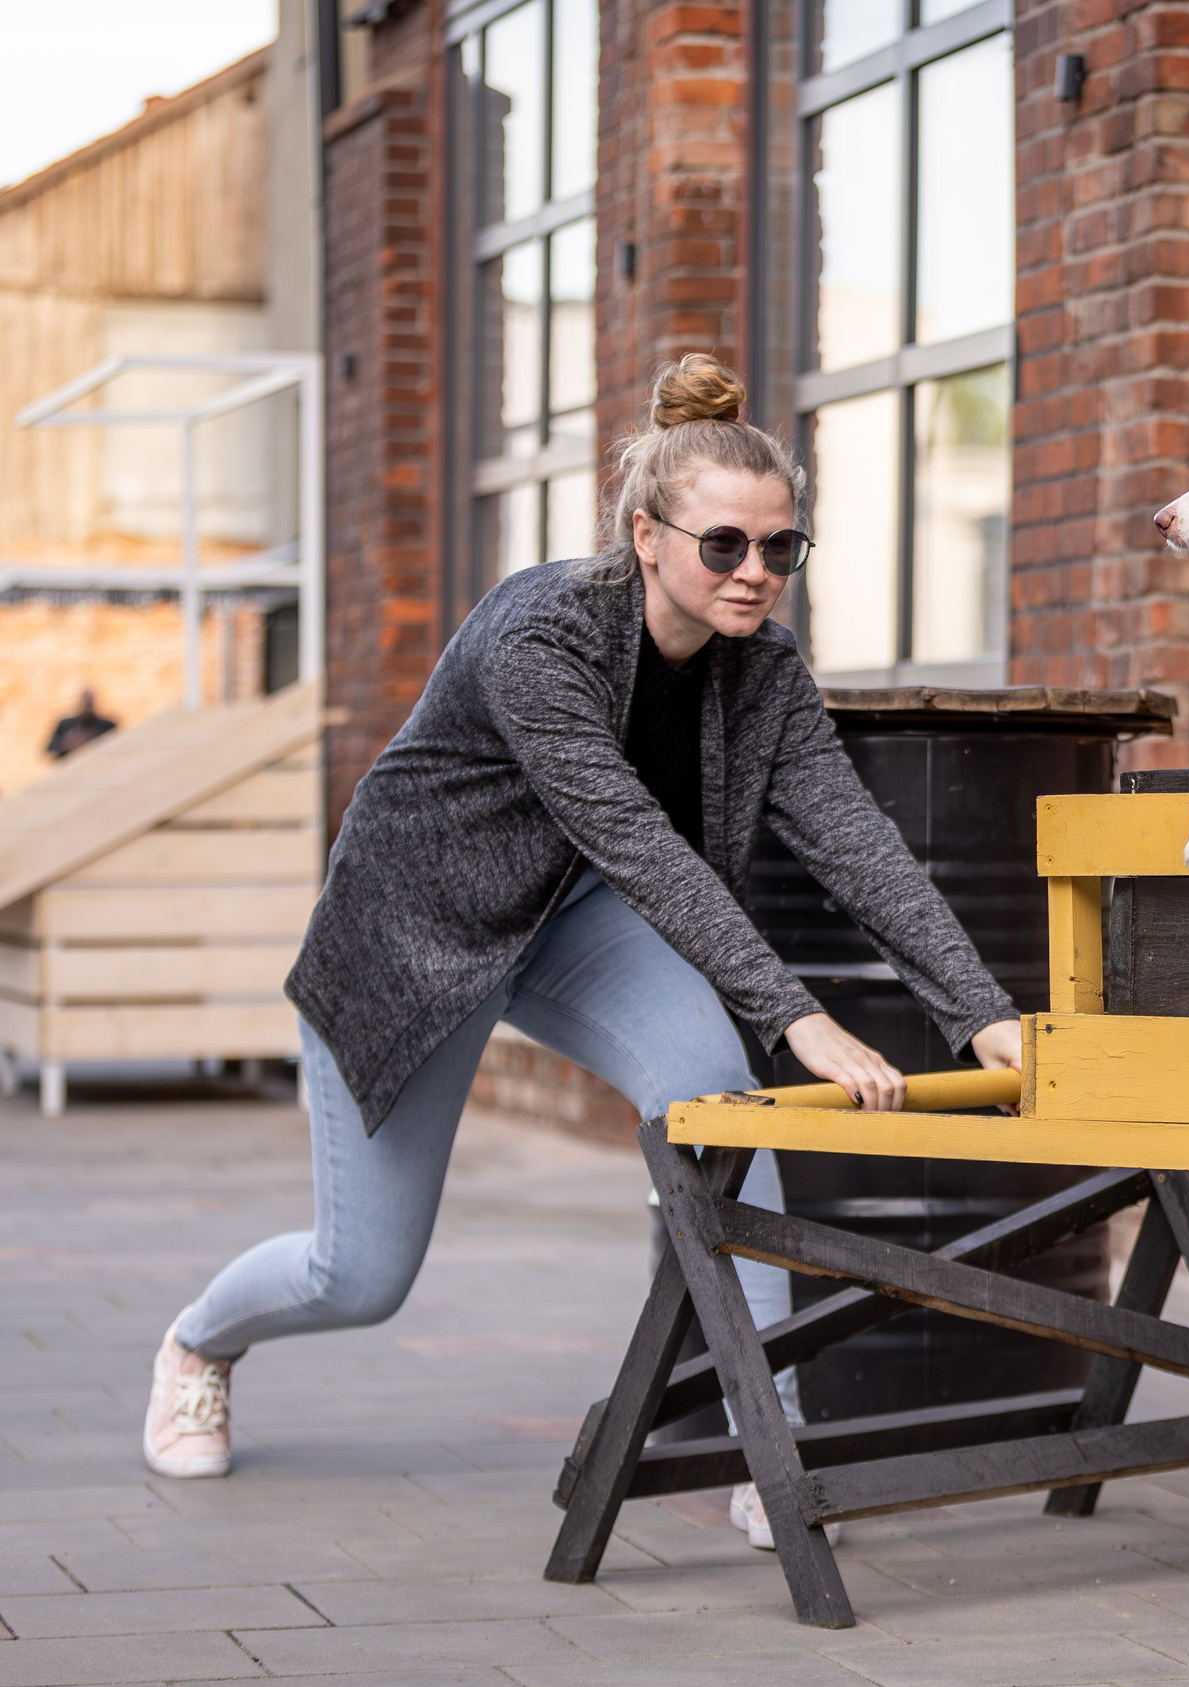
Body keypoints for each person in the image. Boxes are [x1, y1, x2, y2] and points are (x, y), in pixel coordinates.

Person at [144, 355, 1021, 1552]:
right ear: (646, 534)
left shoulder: (764, 669)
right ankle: (200, 1338)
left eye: (780, 548)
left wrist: (981, 1010)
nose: (755, 573)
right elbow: (642, 843)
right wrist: (799, 1014)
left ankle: (771, 1437)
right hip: (417, 933)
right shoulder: (540, 632)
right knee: (361, 1273)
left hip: (576, 920)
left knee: (724, 1103)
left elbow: (855, 840)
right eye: (724, 545)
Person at [46, 689, 116, 759]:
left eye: (89, 703)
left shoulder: (106, 726)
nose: (87, 706)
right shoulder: (66, 724)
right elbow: (51, 749)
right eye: (85, 702)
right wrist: (65, 744)